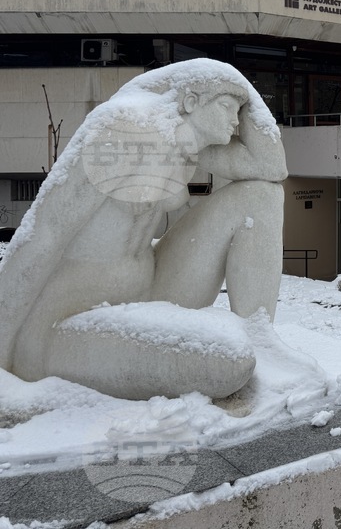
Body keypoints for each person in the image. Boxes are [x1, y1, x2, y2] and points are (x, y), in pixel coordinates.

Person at [0, 59, 287, 400]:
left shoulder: (188, 147)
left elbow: (271, 167)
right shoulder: (118, 133)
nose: (234, 120)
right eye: (227, 107)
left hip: (151, 286)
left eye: (238, 111)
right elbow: (42, 234)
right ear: (190, 102)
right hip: (76, 316)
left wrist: (243, 90)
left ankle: (262, 342)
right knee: (228, 363)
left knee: (261, 196)